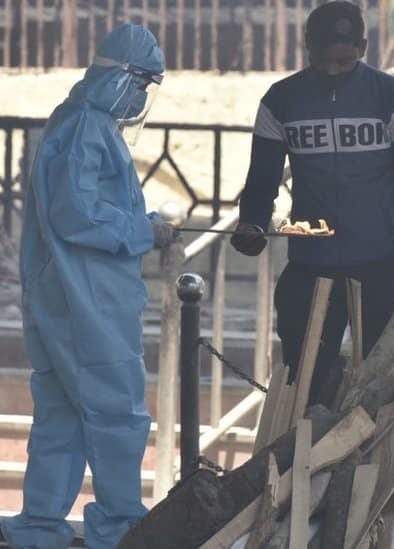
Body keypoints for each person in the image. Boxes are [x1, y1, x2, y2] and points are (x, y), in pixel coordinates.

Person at [1, 24, 172, 549]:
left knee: (62, 419)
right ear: (121, 76)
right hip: (86, 305)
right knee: (117, 413)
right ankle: (123, 526)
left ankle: (39, 526)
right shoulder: (86, 128)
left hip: (65, 301)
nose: (142, 98)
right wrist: (146, 229)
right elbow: (76, 214)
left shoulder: (75, 123)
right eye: (141, 85)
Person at [231, 1, 394, 408]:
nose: (331, 70)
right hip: (311, 268)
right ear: (306, 46)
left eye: (343, 61)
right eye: (321, 60)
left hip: (382, 266)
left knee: (381, 389)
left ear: (363, 47)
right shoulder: (280, 101)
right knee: (306, 387)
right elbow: (261, 181)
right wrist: (252, 224)